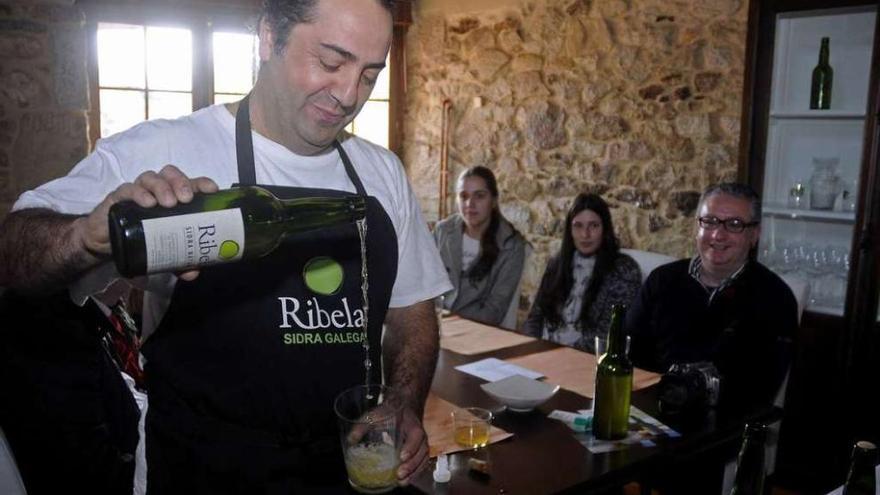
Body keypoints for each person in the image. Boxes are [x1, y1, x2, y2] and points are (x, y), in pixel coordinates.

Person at [0, 0, 452, 492]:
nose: (348, 95)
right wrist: (86, 236)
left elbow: (413, 312)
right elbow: (13, 253)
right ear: (267, 36)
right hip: (204, 472)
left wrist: (405, 399)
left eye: (369, 75)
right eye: (330, 61)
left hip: (342, 471)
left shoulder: (381, 173)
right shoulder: (164, 151)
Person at [624, 182, 797, 495]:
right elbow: (630, 352)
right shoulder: (663, 281)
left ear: (754, 234)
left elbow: (758, 391)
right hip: (654, 413)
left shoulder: (774, 299)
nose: (718, 235)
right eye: (710, 221)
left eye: (734, 224)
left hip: (717, 430)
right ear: (697, 226)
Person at [523, 193, 641, 352]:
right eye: (578, 226)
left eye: (593, 226)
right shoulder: (557, 264)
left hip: (582, 359)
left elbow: (608, 334)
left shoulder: (623, 270)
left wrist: (561, 356)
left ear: (605, 229)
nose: (585, 234)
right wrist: (532, 347)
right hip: (542, 352)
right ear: (569, 230)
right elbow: (535, 317)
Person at [433, 166, 527, 326]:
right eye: (464, 196)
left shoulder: (511, 246)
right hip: (434, 324)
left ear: (494, 201)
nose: (470, 203)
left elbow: (494, 309)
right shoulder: (443, 231)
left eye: (480, 196)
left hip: (475, 330)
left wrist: (454, 324)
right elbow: (424, 283)